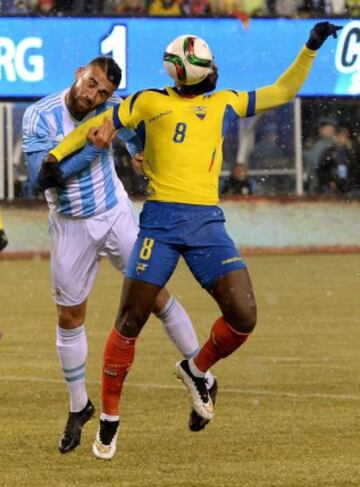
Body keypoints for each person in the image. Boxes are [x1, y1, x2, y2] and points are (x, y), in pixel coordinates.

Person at [43, 22, 341, 459]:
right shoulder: (147, 102)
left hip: (207, 225)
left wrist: (311, 47)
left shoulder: (224, 103)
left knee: (244, 315)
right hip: (160, 223)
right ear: (195, 73)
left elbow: (282, 91)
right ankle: (109, 421)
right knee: (130, 321)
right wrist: (54, 156)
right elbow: (95, 126)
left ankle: (196, 367)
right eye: (209, 65)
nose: (215, 69)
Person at [22, 56, 216, 455]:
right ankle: (80, 406)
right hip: (70, 224)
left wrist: (140, 150)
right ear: (79, 73)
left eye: (103, 93)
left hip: (115, 216)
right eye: (91, 84)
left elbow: (140, 129)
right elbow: (42, 177)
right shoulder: (39, 115)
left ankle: (201, 372)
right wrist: (96, 151)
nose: (93, 95)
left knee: (154, 295)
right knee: (70, 317)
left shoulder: (112, 109)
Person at [317, 126, 355, 195]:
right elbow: (322, 169)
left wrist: (349, 182)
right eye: (339, 136)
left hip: (346, 186)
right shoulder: (328, 152)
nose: (341, 139)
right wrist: (329, 181)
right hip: (330, 187)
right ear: (335, 137)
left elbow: (353, 169)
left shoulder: (349, 153)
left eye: (344, 137)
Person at [304, 116, 337, 194]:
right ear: (320, 130)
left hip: (329, 183)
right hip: (319, 183)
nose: (329, 131)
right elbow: (313, 164)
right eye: (327, 128)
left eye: (331, 128)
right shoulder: (318, 145)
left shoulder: (335, 145)